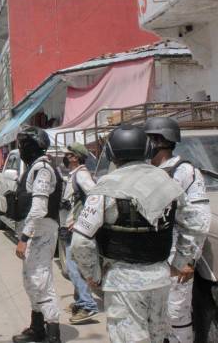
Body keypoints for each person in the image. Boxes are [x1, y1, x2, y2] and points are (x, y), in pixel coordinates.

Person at [71, 124, 205, 343]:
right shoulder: (166, 182)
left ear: (112, 153)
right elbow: (195, 224)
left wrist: (93, 275)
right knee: (158, 337)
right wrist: (179, 262)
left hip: (122, 283)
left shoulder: (105, 188)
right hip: (160, 279)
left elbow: (80, 241)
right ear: (146, 150)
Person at [144, 117, 211, 343]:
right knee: (153, 317)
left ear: (160, 140)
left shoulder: (184, 172)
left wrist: (188, 259)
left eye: (149, 138)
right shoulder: (145, 172)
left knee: (176, 317)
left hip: (175, 258)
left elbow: (198, 219)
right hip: (148, 259)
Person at [12, 126, 62, 343]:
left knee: (41, 281)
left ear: (34, 146)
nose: (21, 148)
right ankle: (37, 328)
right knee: (31, 281)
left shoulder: (42, 169)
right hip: (35, 232)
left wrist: (24, 238)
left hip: (40, 233)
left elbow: (40, 208)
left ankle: (53, 334)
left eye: (24, 144)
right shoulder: (33, 167)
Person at [59, 142, 98, 324]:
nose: (65, 157)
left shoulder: (81, 175)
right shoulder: (74, 174)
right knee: (75, 267)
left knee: (74, 268)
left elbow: (95, 197)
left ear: (74, 157)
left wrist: (80, 220)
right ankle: (80, 301)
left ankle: (88, 305)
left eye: (67, 154)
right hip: (69, 227)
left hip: (76, 230)